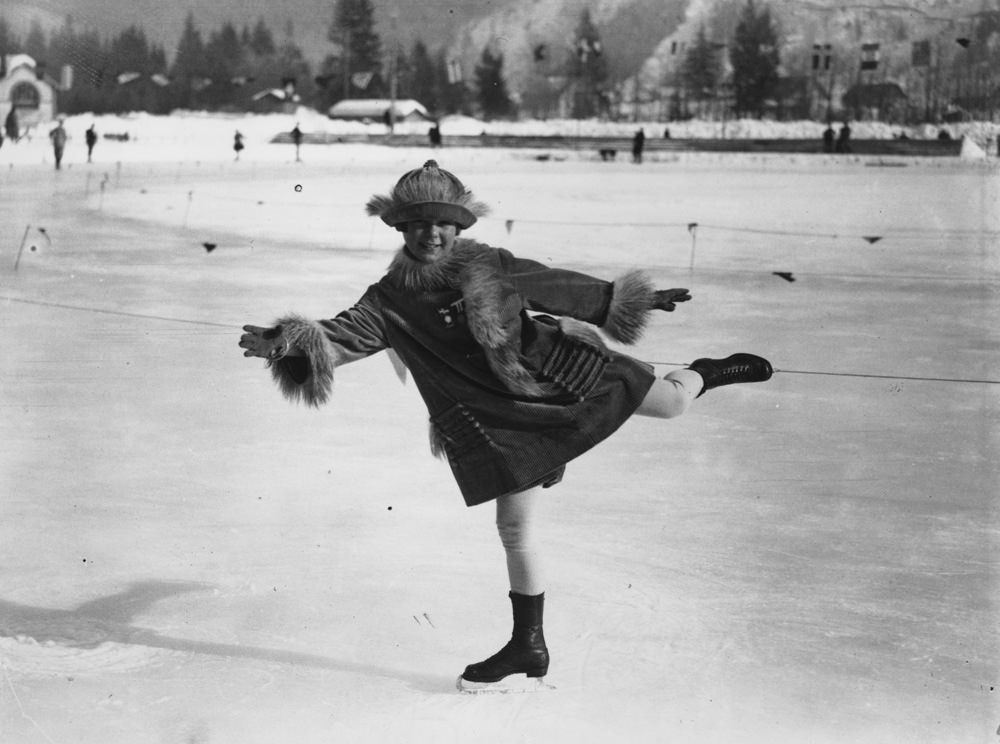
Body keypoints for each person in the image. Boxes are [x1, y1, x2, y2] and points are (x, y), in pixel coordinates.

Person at [238, 160, 773, 692]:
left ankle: (706, 372)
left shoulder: (488, 263)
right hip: (499, 424)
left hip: (561, 377)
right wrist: (286, 341)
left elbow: (555, 286)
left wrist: (626, 299)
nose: (432, 233)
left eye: (442, 222)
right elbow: (340, 336)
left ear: (459, 226)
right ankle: (529, 645)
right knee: (515, 530)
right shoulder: (387, 301)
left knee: (672, 405)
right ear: (399, 228)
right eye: (419, 223)